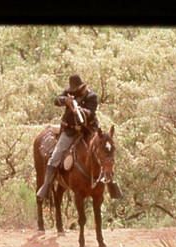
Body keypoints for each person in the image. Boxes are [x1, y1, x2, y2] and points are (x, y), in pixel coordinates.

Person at [36, 73, 121, 201]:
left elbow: (91, 112)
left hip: (87, 132)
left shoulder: (92, 97)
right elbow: (56, 100)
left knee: (103, 152)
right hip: (70, 131)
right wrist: (66, 101)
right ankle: (46, 185)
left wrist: (80, 111)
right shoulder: (70, 93)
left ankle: (110, 183)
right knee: (55, 157)